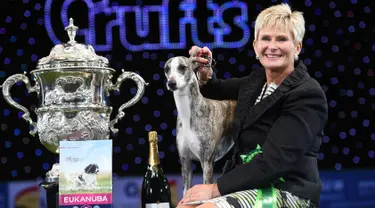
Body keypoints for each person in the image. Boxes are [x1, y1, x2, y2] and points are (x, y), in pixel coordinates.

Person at [177, 3, 328, 208]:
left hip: (287, 191)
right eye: (266, 38)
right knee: (185, 206)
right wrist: (205, 74)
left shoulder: (307, 94)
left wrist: (214, 189)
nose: (272, 46)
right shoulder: (255, 82)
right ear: (256, 45)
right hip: (247, 186)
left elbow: (274, 163)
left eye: (282, 39)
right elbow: (216, 90)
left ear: (297, 47)